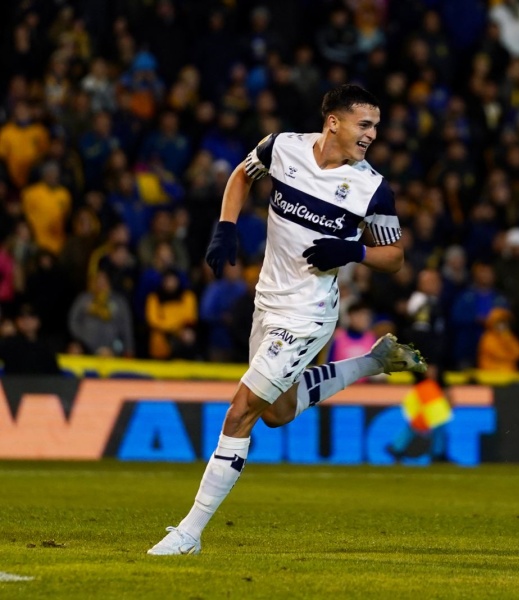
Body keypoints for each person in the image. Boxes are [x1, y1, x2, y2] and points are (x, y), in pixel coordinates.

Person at [148, 84, 427, 555]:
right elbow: (242, 174)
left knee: (241, 412)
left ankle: (189, 533)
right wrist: (226, 227)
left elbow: (395, 255)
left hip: (308, 315)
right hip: (268, 302)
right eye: (364, 124)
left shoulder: (373, 189)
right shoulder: (282, 147)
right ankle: (372, 362)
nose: (372, 135)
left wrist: (354, 251)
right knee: (276, 413)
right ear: (333, 122)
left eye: (376, 127)